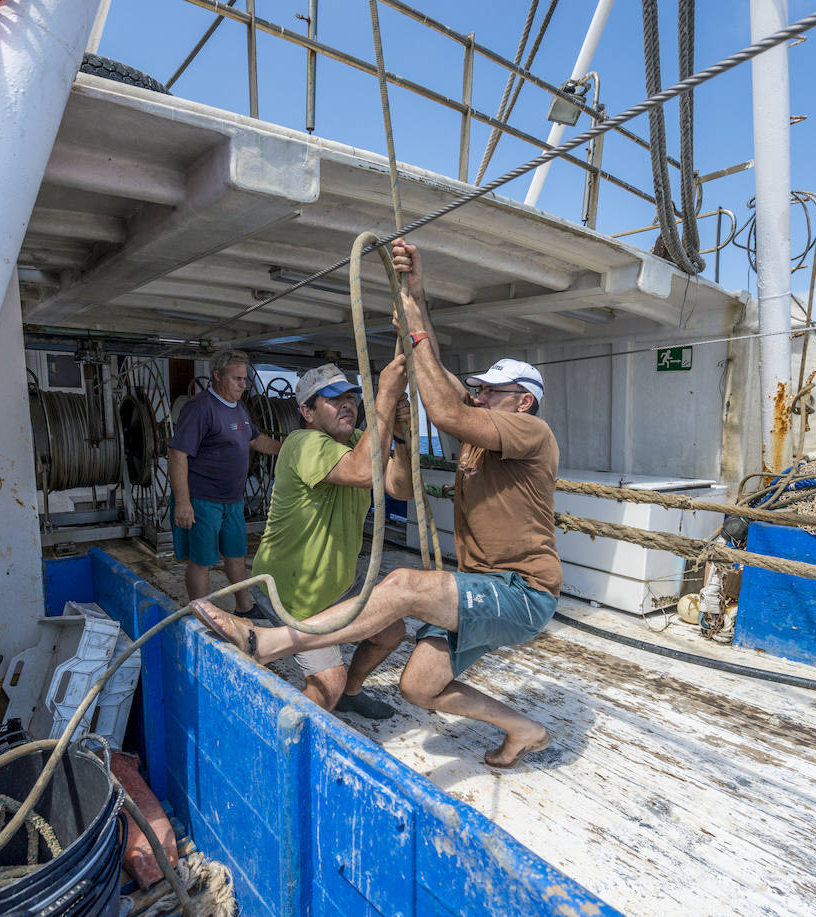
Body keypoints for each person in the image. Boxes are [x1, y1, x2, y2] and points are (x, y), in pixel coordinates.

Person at [193, 239, 561, 768]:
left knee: (403, 586)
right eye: (478, 390)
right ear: (306, 412)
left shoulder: (530, 431)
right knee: (420, 685)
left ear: (522, 401)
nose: (478, 396)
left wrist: (402, 364)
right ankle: (524, 728)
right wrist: (416, 292)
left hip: (520, 591)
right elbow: (430, 367)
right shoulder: (315, 443)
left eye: (491, 392)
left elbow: (443, 411)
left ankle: (269, 643)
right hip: (475, 584)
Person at [246, 357, 415, 717]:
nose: (348, 405)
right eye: (334, 399)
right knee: (328, 683)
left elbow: (400, 489)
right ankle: (286, 743)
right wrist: (384, 394)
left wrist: (400, 434)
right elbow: (359, 471)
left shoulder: (358, 441)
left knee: (391, 632)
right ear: (307, 412)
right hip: (292, 592)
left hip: (339, 585)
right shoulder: (301, 443)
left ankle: (353, 693)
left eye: (351, 398)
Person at [169, 350, 282, 615]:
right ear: (217, 376)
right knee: (202, 561)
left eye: (245, 379)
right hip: (202, 500)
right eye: (237, 378)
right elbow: (177, 453)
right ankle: (202, 614)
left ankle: (244, 606)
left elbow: (256, 440)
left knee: (235, 554)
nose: (243, 384)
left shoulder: (239, 407)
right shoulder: (200, 408)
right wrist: (183, 502)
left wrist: (289, 448)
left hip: (232, 500)